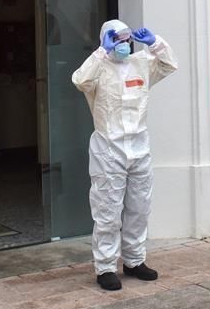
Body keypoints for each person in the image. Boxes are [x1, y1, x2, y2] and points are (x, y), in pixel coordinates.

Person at [72, 19, 178, 291]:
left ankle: (134, 260)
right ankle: (105, 267)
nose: (122, 44)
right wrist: (100, 53)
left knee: (140, 207)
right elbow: (79, 80)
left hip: (139, 147)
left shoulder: (141, 63)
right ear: (106, 40)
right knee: (108, 210)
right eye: (115, 39)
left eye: (125, 39)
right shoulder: (98, 69)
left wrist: (155, 43)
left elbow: (169, 65)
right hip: (109, 148)